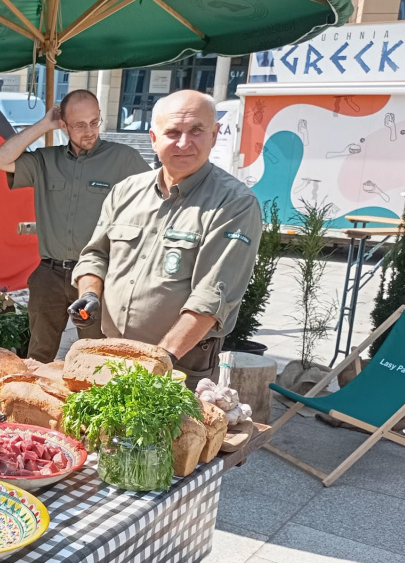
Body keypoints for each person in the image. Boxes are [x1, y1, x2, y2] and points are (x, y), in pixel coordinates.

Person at [69, 90, 262, 388]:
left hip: (180, 362)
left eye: (196, 130)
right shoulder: (125, 191)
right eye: (172, 132)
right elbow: (96, 255)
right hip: (111, 351)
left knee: (164, 436)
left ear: (214, 134)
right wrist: (90, 294)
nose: (184, 143)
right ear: (153, 138)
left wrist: (157, 363)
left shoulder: (234, 203)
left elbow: (210, 299)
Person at [0, 90, 150, 363]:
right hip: (49, 276)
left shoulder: (124, 159)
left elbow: (156, 201)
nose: (90, 131)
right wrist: (43, 124)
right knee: (38, 356)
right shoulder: (45, 160)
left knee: (97, 358)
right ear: (63, 125)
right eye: (79, 124)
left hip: (97, 279)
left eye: (94, 122)